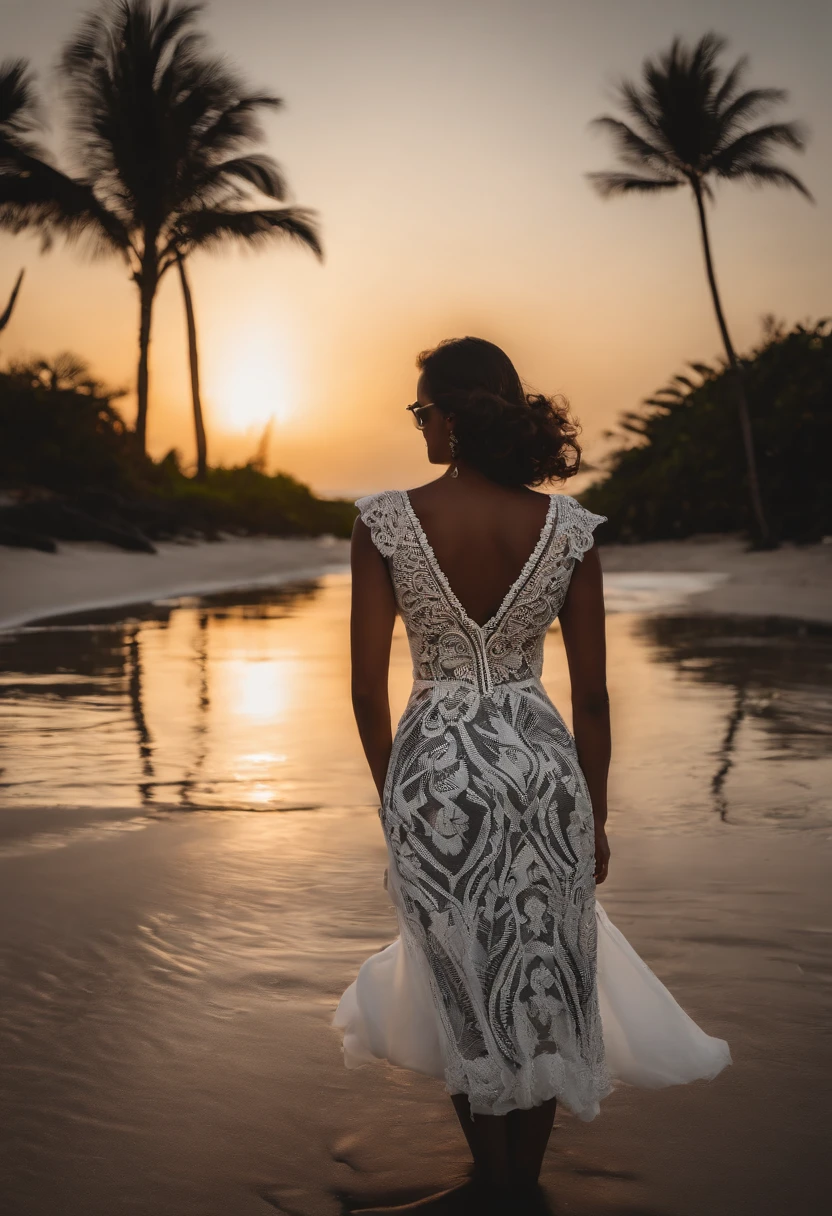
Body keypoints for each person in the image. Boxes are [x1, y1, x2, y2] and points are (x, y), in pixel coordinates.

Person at [334, 337, 731, 1211]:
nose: (418, 427)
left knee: (462, 978)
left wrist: (392, 796)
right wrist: (593, 814)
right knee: (545, 972)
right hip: (540, 760)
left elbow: (366, 688)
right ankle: (524, 1183)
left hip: (433, 770)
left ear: (452, 413)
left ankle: (492, 1179)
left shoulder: (385, 521)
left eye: (420, 410)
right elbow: (591, 695)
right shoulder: (567, 529)